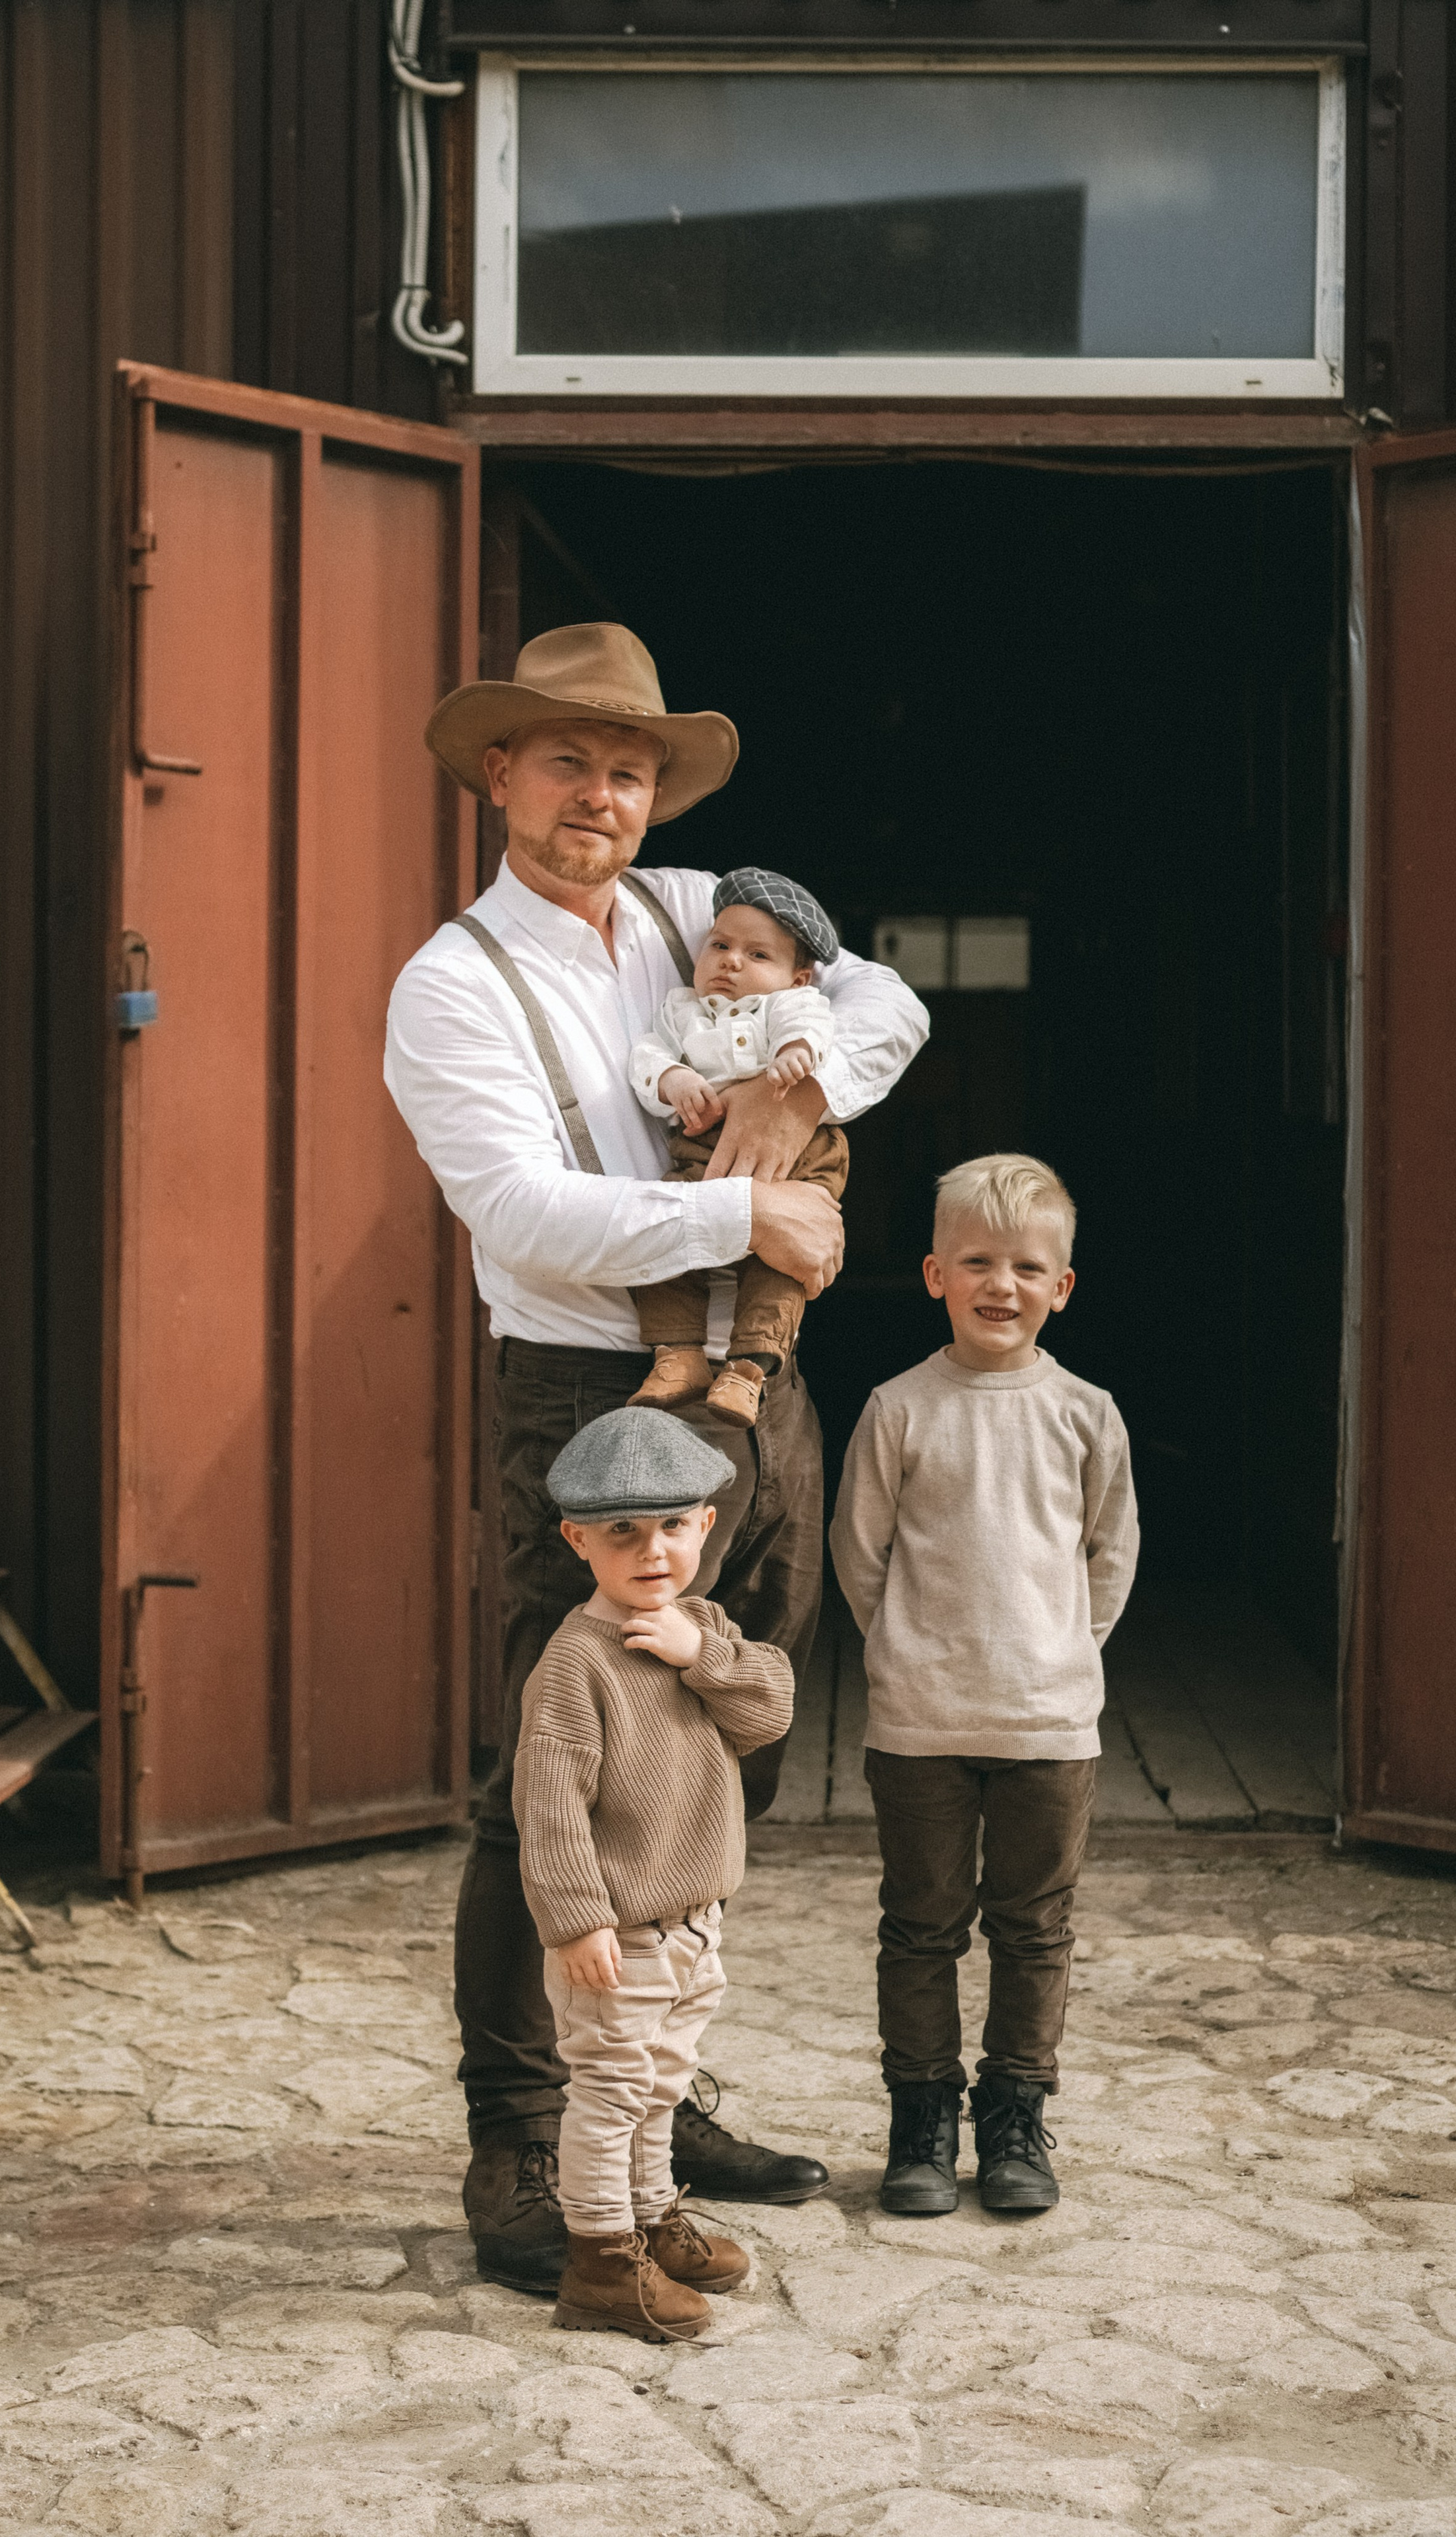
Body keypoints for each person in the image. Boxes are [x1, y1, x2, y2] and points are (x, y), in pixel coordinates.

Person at [384, 621, 928, 2295]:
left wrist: (794, 1080)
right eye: (565, 761)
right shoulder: (451, 981)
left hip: (755, 1385)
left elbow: (886, 990)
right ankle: (517, 2130)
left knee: (728, 1728)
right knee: (553, 1761)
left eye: (626, 768)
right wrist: (747, 1201)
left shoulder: (699, 909)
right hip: (582, 1386)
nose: (599, 796)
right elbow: (520, 1206)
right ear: (498, 772)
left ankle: (656, 2089)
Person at [828, 1152, 1140, 2219]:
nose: (999, 1285)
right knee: (921, 1926)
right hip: (920, 1723)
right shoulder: (900, 1409)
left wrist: (1060, 1652)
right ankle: (921, 2121)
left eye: (1025, 1266)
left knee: (1034, 1929)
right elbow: (861, 1555)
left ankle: (1015, 2118)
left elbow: (1109, 1553)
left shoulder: (1087, 1415)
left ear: (1062, 1287)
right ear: (933, 1275)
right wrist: (914, 1651)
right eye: (976, 1262)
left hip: (1051, 1725)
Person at [515, 1407, 793, 2342]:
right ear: (578, 1540)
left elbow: (770, 1713)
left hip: (694, 1925)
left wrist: (699, 1654)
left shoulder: (701, 1628)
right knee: (608, 2094)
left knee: (664, 2086)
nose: (653, 1552)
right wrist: (576, 1920)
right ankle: (599, 2263)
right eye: (623, 1533)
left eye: (674, 1525)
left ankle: (649, 2215)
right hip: (620, 1934)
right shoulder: (573, 1665)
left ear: (705, 1528)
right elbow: (550, 1808)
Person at [627, 866, 848, 1431]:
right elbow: (647, 1058)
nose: (731, 961)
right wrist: (673, 1080)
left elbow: (814, 1028)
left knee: (783, 1265)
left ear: (797, 978)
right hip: (705, 1148)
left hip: (800, 1157)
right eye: (720, 945)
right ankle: (678, 1355)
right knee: (661, 1231)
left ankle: (748, 1370)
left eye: (758, 956)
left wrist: (796, 1055)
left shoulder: (788, 1007)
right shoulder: (682, 1011)